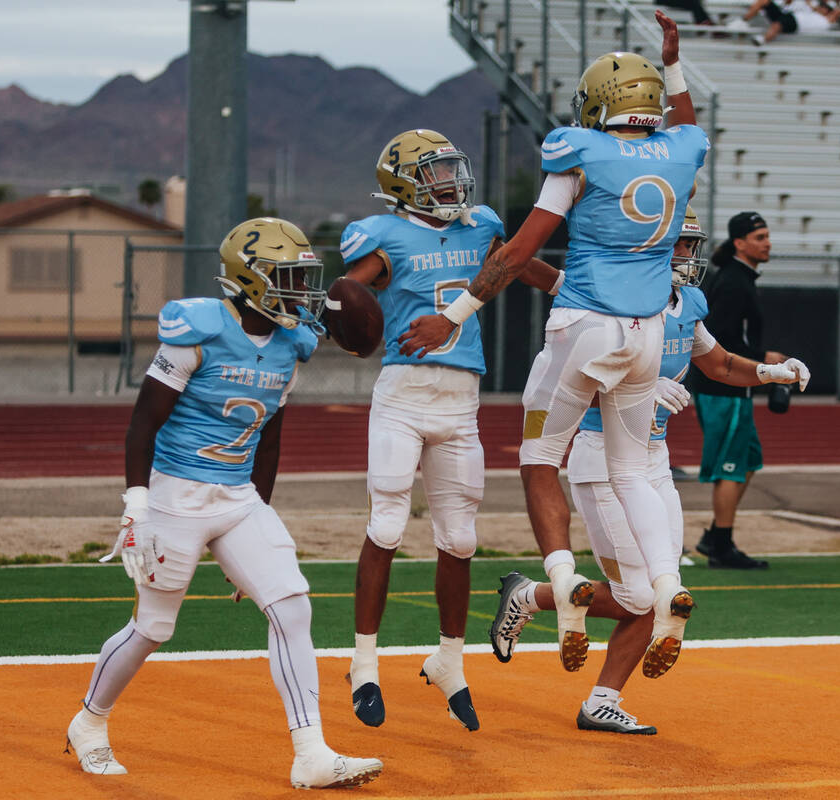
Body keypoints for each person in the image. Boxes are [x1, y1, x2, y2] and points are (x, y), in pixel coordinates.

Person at [399, 10, 706, 677]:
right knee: (632, 470)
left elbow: (519, 251)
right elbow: (684, 119)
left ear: (599, 104)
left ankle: (562, 579)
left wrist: (455, 312)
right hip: (649, 332)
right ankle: (663, 585)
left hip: (585, 323)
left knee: (540, 454)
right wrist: (672, 62)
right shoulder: (684, 147)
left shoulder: (580, 149)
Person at [64, 217, 383, 790]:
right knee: (153, 627)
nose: (302, 292)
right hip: (174, 498)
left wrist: (257, 522)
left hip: (237, 497)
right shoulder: (199, 328)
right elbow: (143, 425)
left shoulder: (291, 344)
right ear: (251, 280)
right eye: (289, 278)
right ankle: (89, 721)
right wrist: (135, 503)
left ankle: (310, 752)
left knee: (291, 606)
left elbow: (269, 438)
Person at [489, 212, 809, 733]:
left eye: (690, 244)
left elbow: (721, 364)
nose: (687, 254)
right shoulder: (614, 300)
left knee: (665, 591)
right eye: (679, 243)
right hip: (603, 455)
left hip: (653, 458)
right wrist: (634, 388)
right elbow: (574, 378)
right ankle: (529, 596)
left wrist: (771, 370)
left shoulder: (691, 303)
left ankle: (600, 698)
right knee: (640, 596)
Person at [341, 129, 562, 731]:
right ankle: (363, 663)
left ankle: (449, 660)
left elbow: (522, 265)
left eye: (449, 170)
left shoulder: (481, 222)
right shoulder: (384, 235)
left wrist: (577, 294)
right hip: (404, 396)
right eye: (434, 173)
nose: (449, 182)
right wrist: (340, 316)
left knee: (460, 540)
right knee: (386, 525)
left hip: (461, 402)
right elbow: (350, 289)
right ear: (403, 184)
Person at [688, 211, 789, 569]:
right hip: (724, 389)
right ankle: (722, 546)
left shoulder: (740, 278)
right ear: (740, 242)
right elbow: (719, 339)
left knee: (748, 460)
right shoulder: (732, 282)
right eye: (760, 237)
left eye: (767, 236)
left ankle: (717, 535)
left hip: (735, 388)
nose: (767, 242)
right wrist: (765, 359)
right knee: (731, 466)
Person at [726, 0, 840, 46]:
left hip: (796, 23)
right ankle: (742, 21)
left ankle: (762, 39)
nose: (821, 7)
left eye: (824, 7)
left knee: (778, 25)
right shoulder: (813, 12)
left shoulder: (826, 21)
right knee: (764, 2)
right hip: (790, 16)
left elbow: (839, 11)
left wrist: (835, 6)